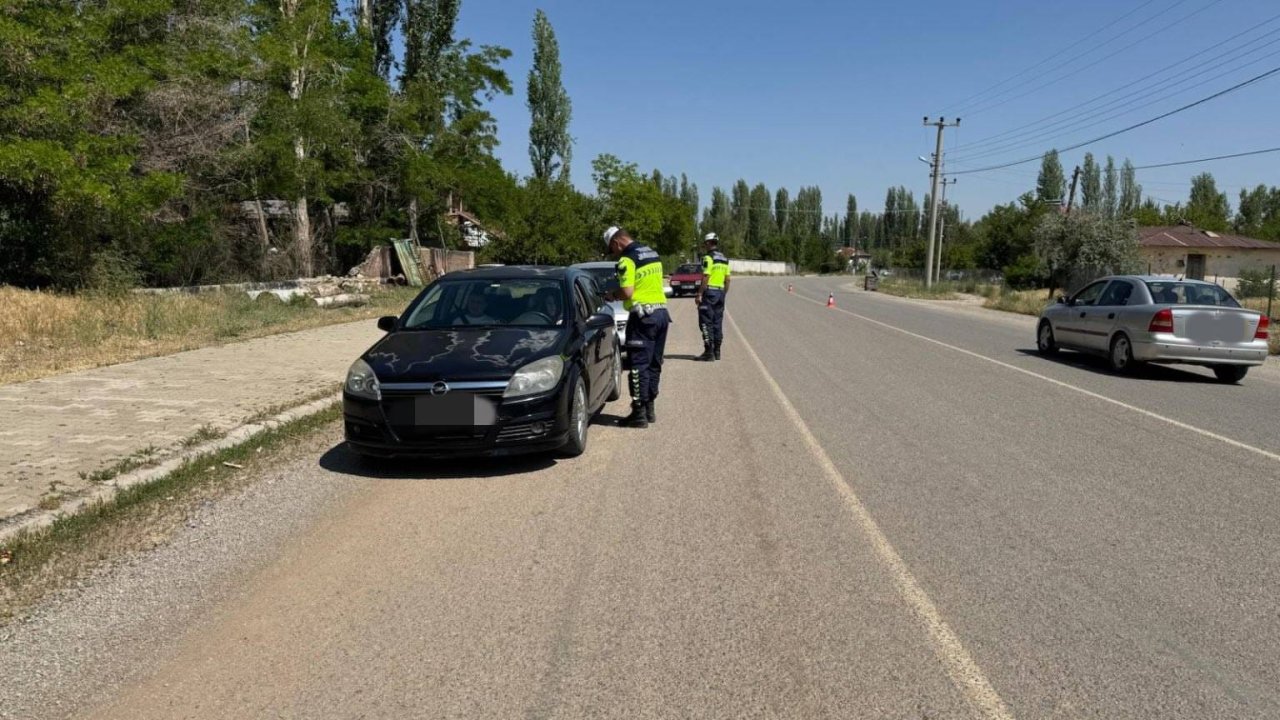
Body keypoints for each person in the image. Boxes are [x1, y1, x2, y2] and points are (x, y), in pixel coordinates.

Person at [603, 225, 668, 428]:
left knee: (639, 365)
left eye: (612, 249)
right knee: (654, 364)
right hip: (661, 314)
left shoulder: (626, 260)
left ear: (616, 242)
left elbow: (628, 292)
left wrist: (613, 295)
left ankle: (638, 413)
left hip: (642, 318)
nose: (613, 254)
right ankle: (649, 409)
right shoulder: (651, 253)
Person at [695, 233, 731, 361]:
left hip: (709, 293)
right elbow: (728, 279)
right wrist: (723, 293)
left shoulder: (708, 258)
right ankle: (717, 351)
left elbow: (706, 276)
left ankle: (708, 352)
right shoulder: (724, 259)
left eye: (705, 243)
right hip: (720, 293)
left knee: (705, 322)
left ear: (709, 243)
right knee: (717, 322)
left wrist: (699, 293)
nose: (705, 246)